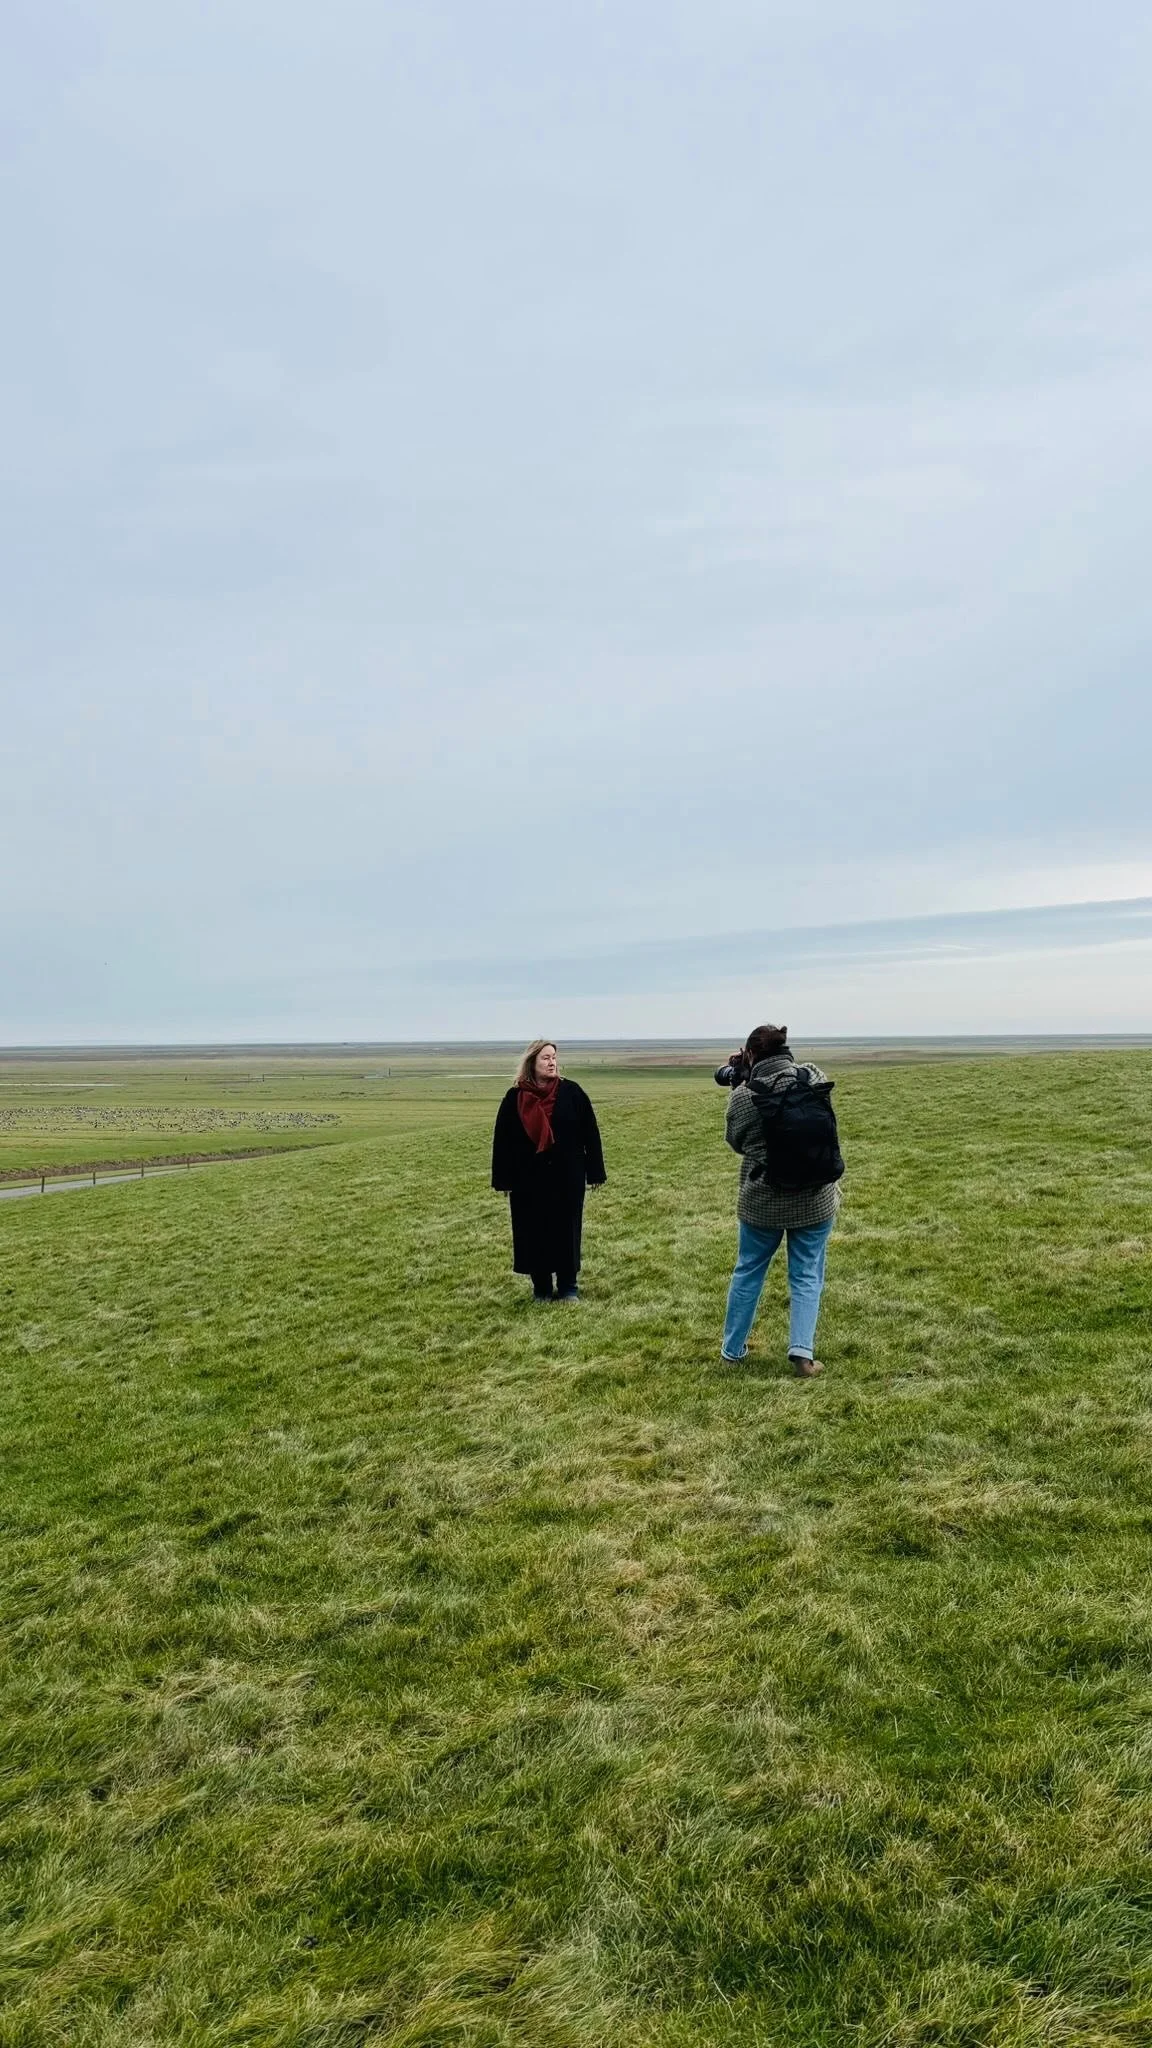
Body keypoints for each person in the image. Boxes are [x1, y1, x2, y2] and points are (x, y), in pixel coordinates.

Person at [720, 1023, 843, 1378]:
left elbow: (735, 1141)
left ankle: (732, 1351)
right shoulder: (813, 1076)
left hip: (763, 1201)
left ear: (750, 1054)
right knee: (806, 1275)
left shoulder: (744, 1096)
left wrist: (741, 1081)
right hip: (816, 1198)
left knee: (748, 1272)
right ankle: (802, 1356)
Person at [491, 1040, 606, 1302]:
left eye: (554, 1057)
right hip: (528, 1180)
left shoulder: (572, 1093)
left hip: (567, 1176)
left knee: (566, 1230)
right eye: (545, 1058)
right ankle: (541, 1288)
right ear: (532, 1062)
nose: (552, 1062)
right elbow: (503, 1140)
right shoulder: (514, 1098)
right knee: (533, 1231)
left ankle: (568, 1287)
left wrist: (595, 1172)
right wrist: (503, 1180)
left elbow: (590, 1133)